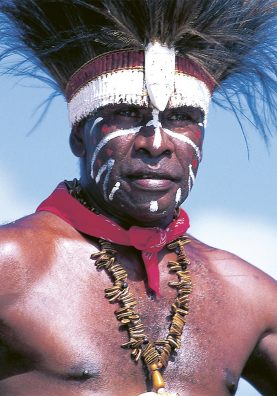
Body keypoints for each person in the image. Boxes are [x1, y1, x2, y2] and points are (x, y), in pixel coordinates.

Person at [0, 1, 276, 395]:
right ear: (80, 134)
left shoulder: (249, 295)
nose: (157, 143)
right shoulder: (11, 265)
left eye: (182, 117)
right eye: (127, 113)